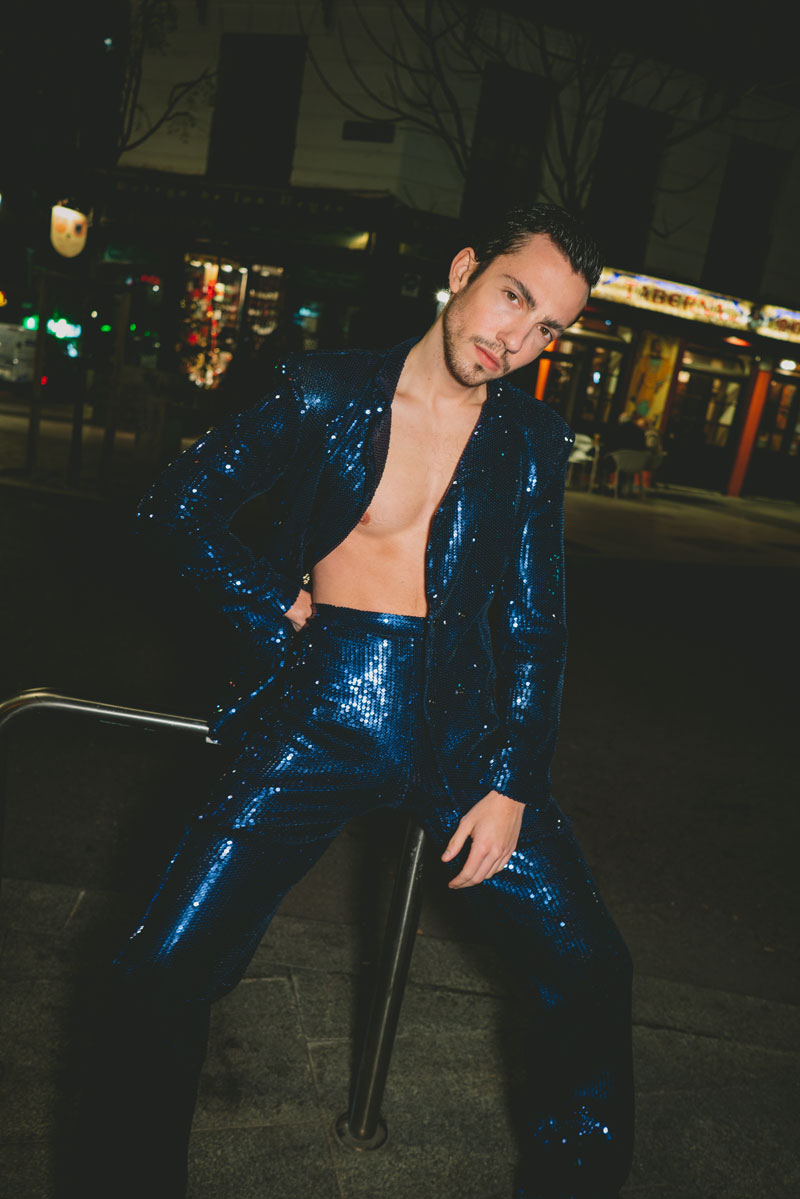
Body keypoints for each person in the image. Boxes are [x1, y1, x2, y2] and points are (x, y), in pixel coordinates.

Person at [86, 204, 633, 1199]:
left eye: (547, 326)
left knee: (589, 964)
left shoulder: (529, 441)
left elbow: (532, 622)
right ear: (463, 269)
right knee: (157, 969)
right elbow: (177, 507)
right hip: (318, 706)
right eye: (512, 296)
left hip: (460, 728)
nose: (516, 337)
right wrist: (271, 602)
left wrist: (512, 781)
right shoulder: (321, 390)